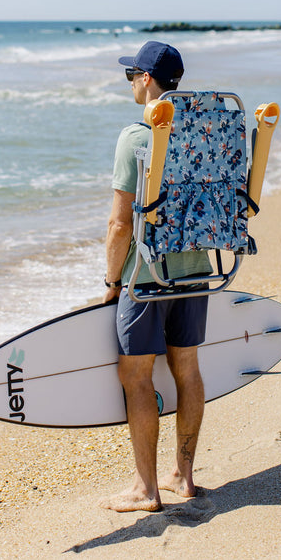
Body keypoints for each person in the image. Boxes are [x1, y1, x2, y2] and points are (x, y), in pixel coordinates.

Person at [100, 41, 212, 513]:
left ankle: (146, 490)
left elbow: (120, 224)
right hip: (197, 269)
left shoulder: (137, 134)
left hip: (147, 276)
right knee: (186, 368)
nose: (129, 82)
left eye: (132, 75)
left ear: (147, 79)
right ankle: (183, 477)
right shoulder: (207, 129)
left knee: (136, 374)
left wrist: (111, 283)